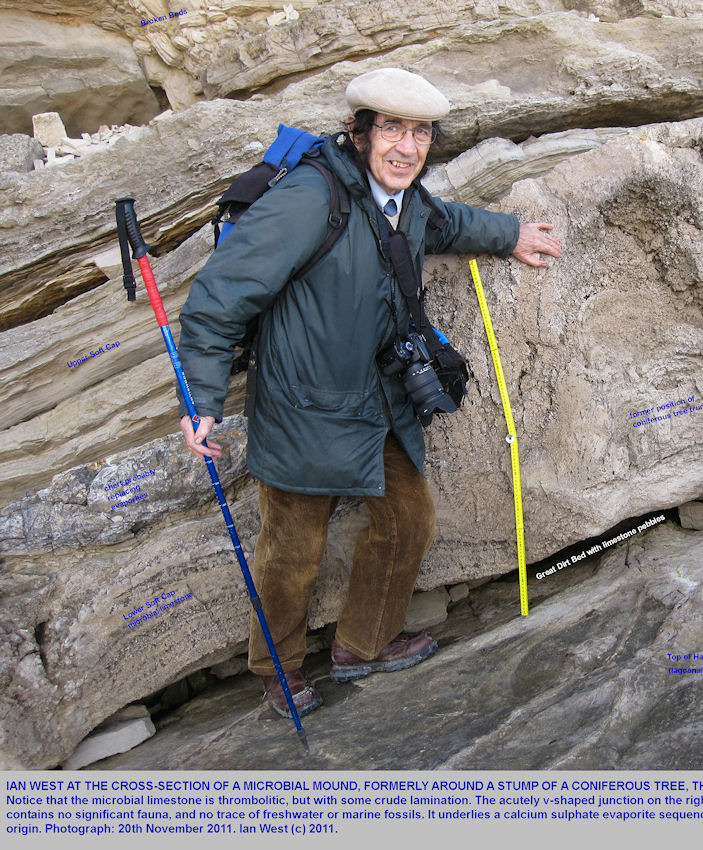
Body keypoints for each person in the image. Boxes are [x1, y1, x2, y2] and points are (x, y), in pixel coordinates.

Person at [175, 68, 561, 718]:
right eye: (392, 130)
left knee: (410, 521)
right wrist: (204, 399)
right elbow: (219, 295)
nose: (407, 147)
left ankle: (364, 643)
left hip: (379, 401)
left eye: (420, 133)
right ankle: (278, 671)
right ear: (359, 133)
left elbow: (446, 225)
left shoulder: (406, 199)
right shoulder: (308, 197)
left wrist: (510, 234)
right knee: (292, 553)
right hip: (303, 409)